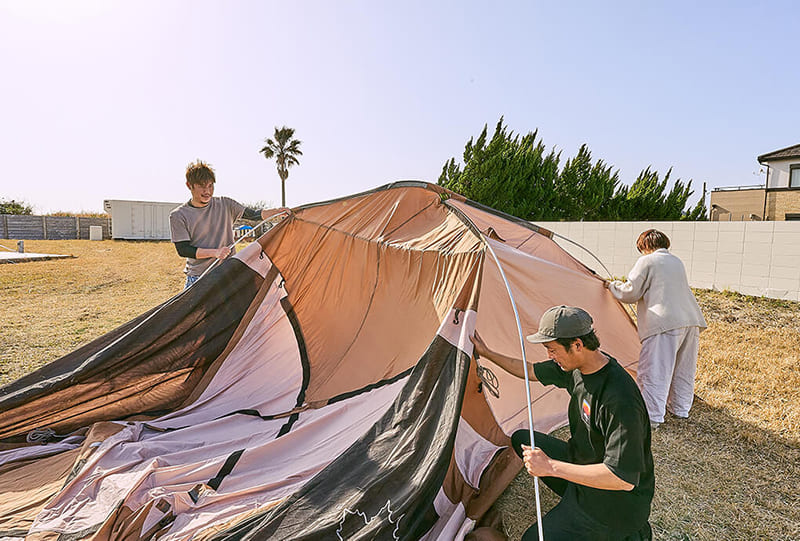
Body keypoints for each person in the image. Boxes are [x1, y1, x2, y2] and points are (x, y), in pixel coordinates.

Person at [471, 306, 653, 541]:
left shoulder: (619, 399)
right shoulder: (578, 367)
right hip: (583, 465)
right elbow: (530, 370)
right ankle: (573, 493)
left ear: (577, 345)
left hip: (613, 504)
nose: (549, 356)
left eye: (552, 349)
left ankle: (629, 534)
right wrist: (486, 353)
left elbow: (622, 479)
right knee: (523, 439)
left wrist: (551, 467)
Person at [605, 229, 706, 426]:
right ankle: (680, 409)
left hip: (664, 322)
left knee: (655, 370)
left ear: (644, 246)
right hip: (691, 320)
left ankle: (651, 416)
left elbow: (630, 292)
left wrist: (612, 286)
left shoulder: (647, 261)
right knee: (683, 369)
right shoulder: (676, 261)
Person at [169, 159, 287, 289]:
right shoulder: (178, 215)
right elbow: (183, 249)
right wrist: (215, 252)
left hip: (228, 275)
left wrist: (276, 212)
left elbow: (252, 215)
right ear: (189, 185)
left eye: (210, 186)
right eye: (202, 186)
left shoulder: (225, 204)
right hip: (199, 278)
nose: (207, 191)